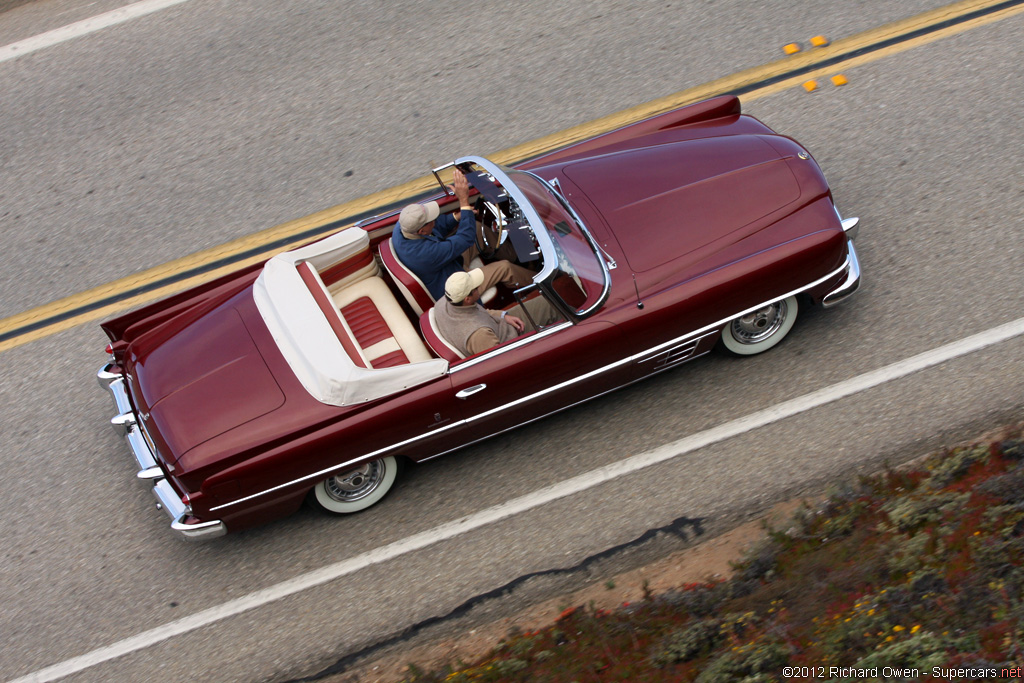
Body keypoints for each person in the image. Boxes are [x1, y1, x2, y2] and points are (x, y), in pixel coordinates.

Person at [392, 167, 533, 301]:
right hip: (456, 286)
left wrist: (458, 216)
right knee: (504, 268)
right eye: (431, 220)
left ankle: (519, 259)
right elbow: (465, 238)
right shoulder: (425, 254)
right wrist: (464, 201)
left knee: (477, 228)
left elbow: (438, 225)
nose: (434, 220)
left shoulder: (403, 226)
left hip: (447, 265)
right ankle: (540, 280)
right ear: (421, 231)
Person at [433, 268, 564, 357]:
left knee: (547, 301)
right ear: (467, 299)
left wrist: (503, 316)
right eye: (476, 288)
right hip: (513, 339)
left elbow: (478, 312)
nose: (479, 287)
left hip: (499, 325)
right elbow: (504, 359)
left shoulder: (444, 302)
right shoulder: (479, 335)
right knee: (553, 307)